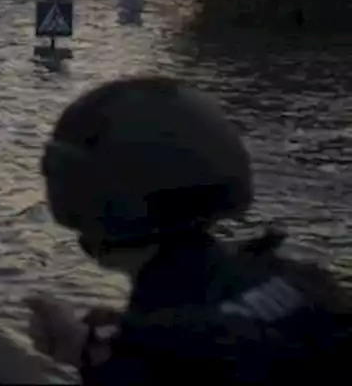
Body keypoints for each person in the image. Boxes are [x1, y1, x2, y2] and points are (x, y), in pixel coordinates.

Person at [27, 76, 351, 384]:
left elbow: (198, 356)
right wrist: (108, 343)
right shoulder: (300, 281)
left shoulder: (161, 353)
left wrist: (95, 352)